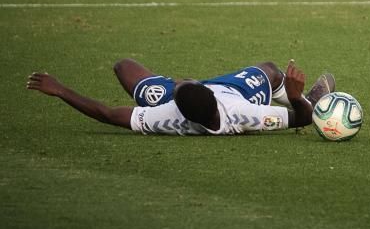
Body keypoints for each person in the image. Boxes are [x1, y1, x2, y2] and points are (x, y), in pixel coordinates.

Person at [26, 58, 335, 135]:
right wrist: (296, 98)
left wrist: (61, 90)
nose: (184, 80)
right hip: (234, 92)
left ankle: (167, 88)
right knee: (268, 68)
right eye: (187, 83)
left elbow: (107, 114)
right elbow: (303, 120)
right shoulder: (246, 115)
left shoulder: (166, 114)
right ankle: (311, 95)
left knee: (124, 67)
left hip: (190, 98)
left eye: (182, 84)